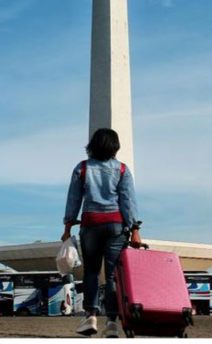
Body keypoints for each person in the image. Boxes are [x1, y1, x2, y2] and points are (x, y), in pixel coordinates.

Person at [62, 128, 142, 339]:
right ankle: (112, 323)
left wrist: (68, 227)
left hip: (90, 223)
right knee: (114, 276)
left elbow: (74, 199)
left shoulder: (82, 168)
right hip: (116, 225)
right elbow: (128, 201)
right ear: (115, 147)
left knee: (91, 272)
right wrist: (135, 230)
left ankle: (90, 315)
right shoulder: (122, 170)